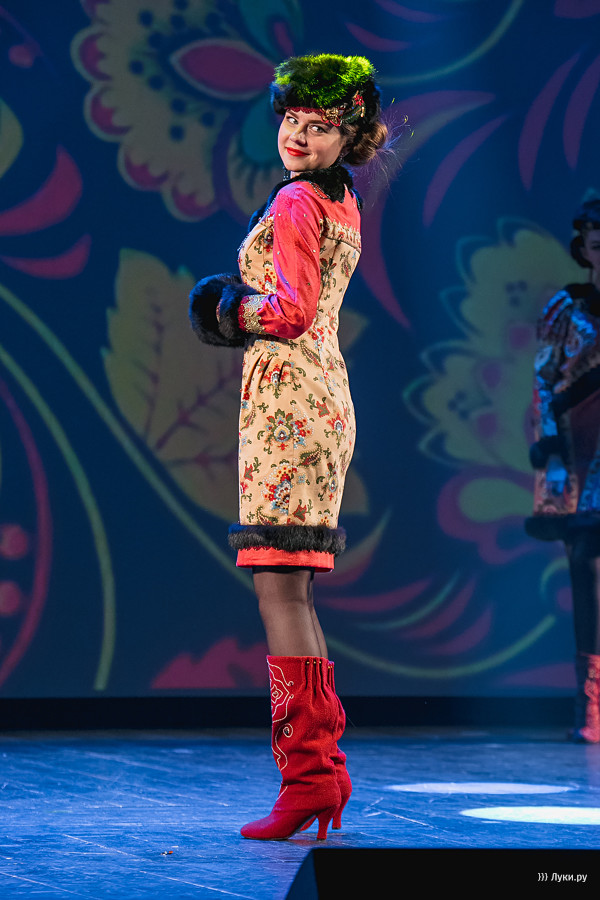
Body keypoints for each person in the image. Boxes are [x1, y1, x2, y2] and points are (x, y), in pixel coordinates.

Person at [189, 54, 388, 838]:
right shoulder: (340, 200)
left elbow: (292, 310)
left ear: (347, 135)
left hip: (291, 401)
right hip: (315, 395)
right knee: (288, 587)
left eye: (319, 126)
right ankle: (319, 775)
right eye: (291, 121)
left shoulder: (301, 200)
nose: (298, 137)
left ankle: (309, 778)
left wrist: (225, 310)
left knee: (279, 586)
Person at [526, 198, 600, 743]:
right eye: (595, 237)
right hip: (582, 451)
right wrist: (551, 450)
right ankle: (591, 704)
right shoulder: (566, 309)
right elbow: (544, 381)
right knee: (588, 572)